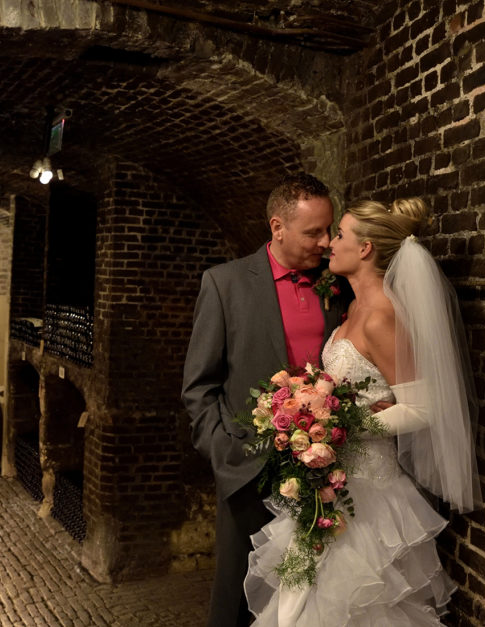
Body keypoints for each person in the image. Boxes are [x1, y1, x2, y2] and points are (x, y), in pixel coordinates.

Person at [244, 198, 482, 625]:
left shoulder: (382, 316)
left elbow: (424, 407)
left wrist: (336, 427)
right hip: (335, 481)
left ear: (366, 248)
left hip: (369, 493)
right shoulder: (352, 308)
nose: (329, 244)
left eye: (339, 235)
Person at [182, 173, 352, 627]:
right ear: (277, 227)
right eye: (312, 232)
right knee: (236, 598)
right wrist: (225, 453)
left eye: (328, 229)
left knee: (306, 597)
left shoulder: (338, 285)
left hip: (325, 466)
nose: (324, 242)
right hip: (248, 469)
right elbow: (199, 386)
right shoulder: (225, 283)